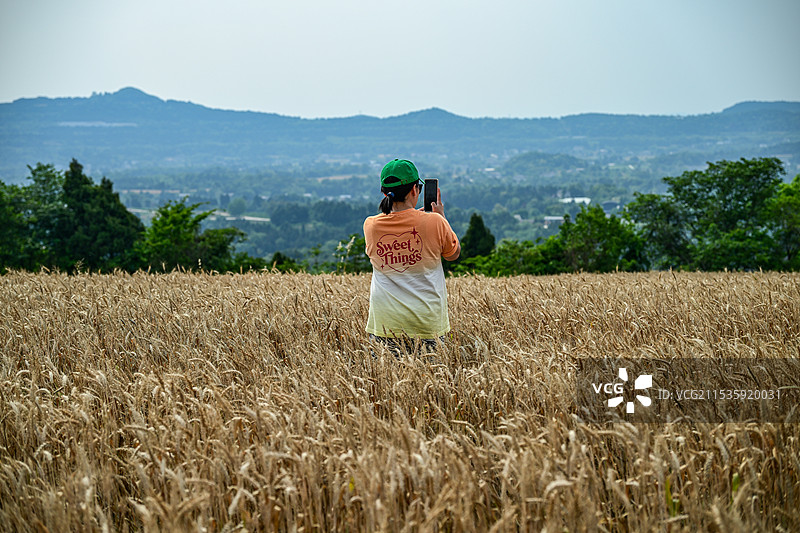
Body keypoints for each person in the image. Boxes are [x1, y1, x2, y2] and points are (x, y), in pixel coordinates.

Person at [363, 159, 460, 354]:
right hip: (427, 324)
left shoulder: (371, 226)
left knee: (385, 382)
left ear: (384, 192)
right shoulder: (435, 222)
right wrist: (441, 218)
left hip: (385, 325)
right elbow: (453, 254)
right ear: (415, 190)